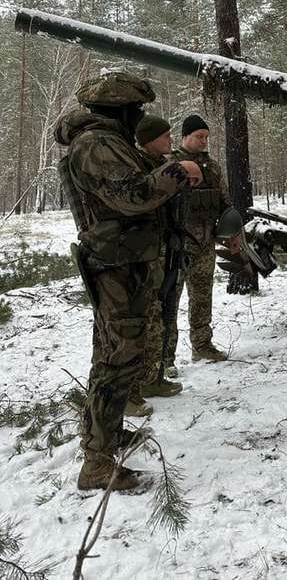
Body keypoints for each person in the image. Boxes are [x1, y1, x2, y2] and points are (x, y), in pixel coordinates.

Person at [55, 72, 202, 492]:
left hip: (125, 261)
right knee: (118, 356)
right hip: (115, 264)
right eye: (136, 109)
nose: (140, 116)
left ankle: (106, 433)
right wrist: (175, 172)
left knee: (118, 353)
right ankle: (97, 464)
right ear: (119, 109)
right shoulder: (97, 144)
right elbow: (132, 196)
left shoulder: (109, 141)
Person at [169, 114, 241, 368]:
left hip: (206, 242)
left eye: (206, 137)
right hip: (177, 244)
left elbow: (224, 202)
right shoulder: (170, 164)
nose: (203, 141)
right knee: (169, 300)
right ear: (184, 137)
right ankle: (165, 358)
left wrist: (234, 233)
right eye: (198, 137)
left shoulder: (213, 167)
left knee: (202, 297)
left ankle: (202, 345)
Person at [133, 114, 184, 401]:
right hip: (148, 252)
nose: (171, 140)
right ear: (151, 139)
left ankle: (155, 376)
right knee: (150, 316)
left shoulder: (160, 164)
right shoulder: (140, 167)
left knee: (164, 312)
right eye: (166, 136)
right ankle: (144, 380)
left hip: (166, 247)